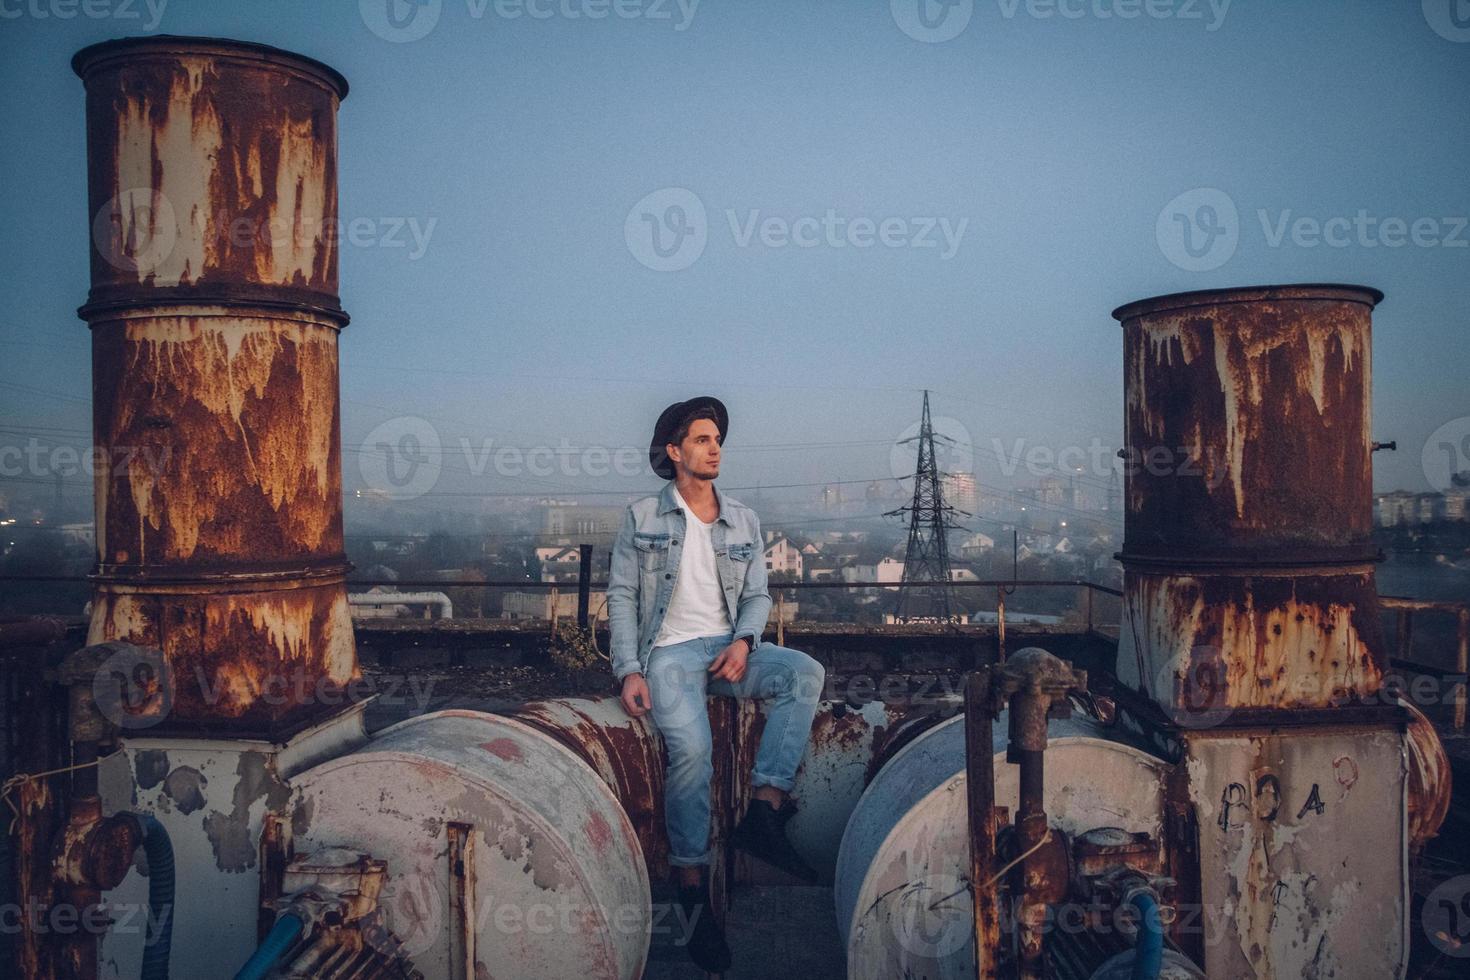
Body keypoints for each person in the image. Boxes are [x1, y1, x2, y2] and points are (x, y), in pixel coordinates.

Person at [606, 395, 827, 973]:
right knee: (693, 752)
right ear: (675, 452)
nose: (715, 448)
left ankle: (763, 812)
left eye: (717, 439)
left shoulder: (744, 520)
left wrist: (745, 643)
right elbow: (623, 596)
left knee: (804, 673)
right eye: (702, 439)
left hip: (729, 650)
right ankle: (691, 884)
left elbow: (756, 596)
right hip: (670, 655)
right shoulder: (643, 517)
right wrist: (628, 668)